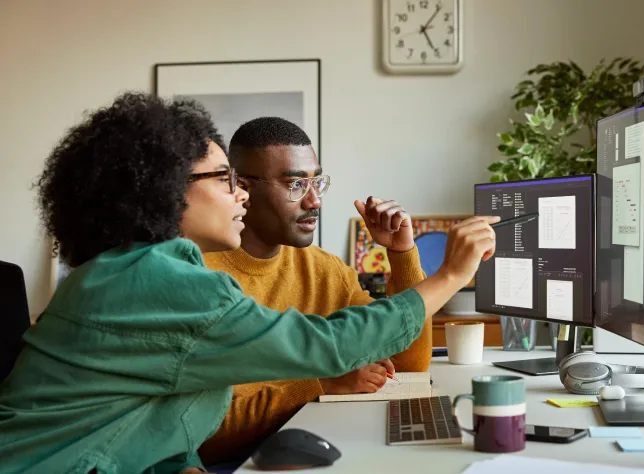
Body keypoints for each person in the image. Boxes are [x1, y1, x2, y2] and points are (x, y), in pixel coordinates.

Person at [0, 92, 499, 474]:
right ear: (165, 190)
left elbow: (137, 416)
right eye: (224, 180)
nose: (238, 195)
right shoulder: (158, 281)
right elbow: (328, 345)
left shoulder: (124, 272)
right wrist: (451, 275)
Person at [197, 117, 432, 463]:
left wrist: (401, 254)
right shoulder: (197, 276)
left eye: (317, 183)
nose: (315, 202)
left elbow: (407, 362)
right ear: (243, 189)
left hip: (311, 446)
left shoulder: (324, 270)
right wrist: (323, 384)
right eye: (295, 185)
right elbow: (202, 432)